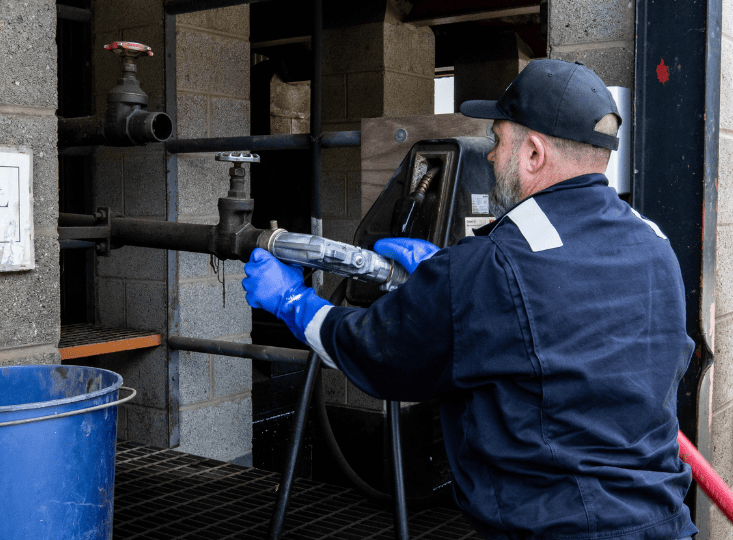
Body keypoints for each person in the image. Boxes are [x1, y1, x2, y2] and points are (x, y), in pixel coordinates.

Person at [241, 59, 698, 540]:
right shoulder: (653, 243)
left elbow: (379, 353)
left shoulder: (495, 265)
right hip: (663, 522)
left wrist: (291, 300)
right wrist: (445, 279)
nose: (490, 156)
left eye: (498, 140)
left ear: (535, 155)